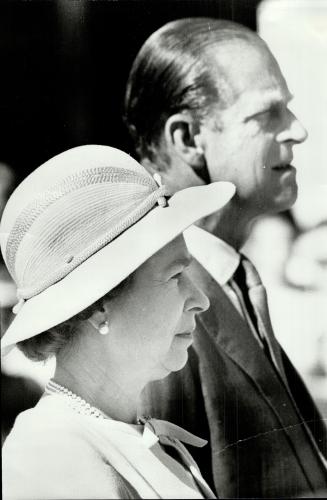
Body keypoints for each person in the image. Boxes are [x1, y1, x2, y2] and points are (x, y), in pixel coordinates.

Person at [124, 18, 327, 498]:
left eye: (290, 110)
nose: (296, 131)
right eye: (267, 115)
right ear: (189, 139)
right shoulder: (157, 303)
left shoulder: (225, 274)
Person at [1, 145, 235, 499]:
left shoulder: (132, 436)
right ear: (98, 306)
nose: (200, 301)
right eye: (175, 276)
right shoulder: (51, 454)